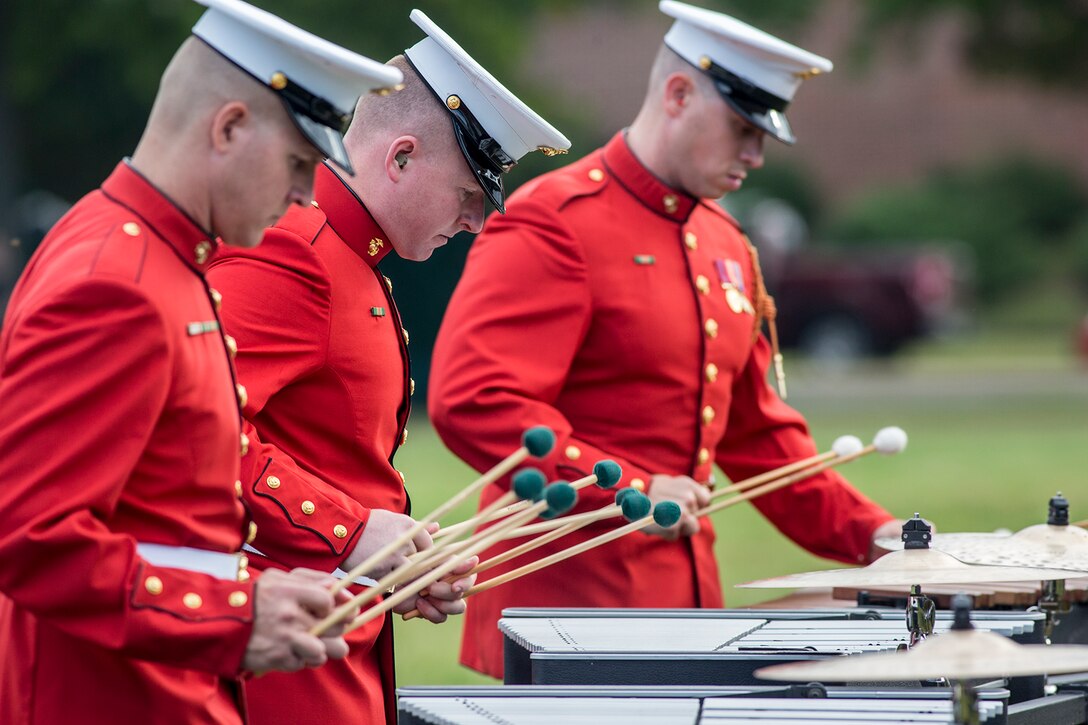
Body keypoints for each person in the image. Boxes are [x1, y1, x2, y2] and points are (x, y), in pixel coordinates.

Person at [429, 0, 905, 680]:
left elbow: (763, 441)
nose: (757, 154)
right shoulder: (557, 220)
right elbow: (476, 399)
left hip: (684, 610)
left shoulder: (726, 242)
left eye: (764, 135)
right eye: (743, 127)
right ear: (678, 93)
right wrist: (632, 489)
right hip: (563, 619)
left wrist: (882, 538)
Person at [0, 1, 403, 721]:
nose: (307, 194)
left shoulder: (153, 254)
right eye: (299, 161)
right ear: (229, 128)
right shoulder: (113, 282)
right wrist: (234, 611)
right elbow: (33, 537)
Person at [206, 9, 570, 724]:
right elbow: (194, 434)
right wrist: (347, 530)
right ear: (400, 157)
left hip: (328, 640)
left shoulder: (352, 256)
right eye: (470, 195)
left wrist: (396, 559)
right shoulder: (294, 249)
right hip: (275, 663)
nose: (475, 222)